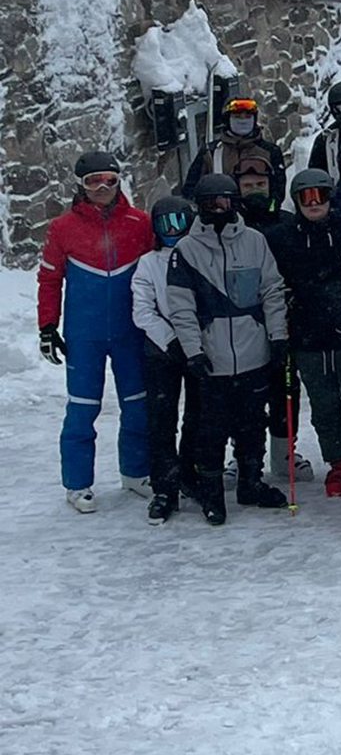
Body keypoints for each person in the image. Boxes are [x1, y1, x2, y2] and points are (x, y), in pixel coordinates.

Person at [164, 174, 291, 524]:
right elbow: (181, 307)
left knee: (253, 423)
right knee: (211, 430)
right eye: (210, 204)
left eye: (224, 202)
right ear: (200, 207)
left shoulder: (254, 241)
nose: (218, 210)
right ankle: (211, 493)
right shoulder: (186, 250)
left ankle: (251, 482)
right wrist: (193, 351)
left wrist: (277, 337)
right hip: (212, 356)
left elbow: (272, 291)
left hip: (253, 351)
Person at [37, 150, 155, 512]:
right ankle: (77, 484)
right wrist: (47, 327)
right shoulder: (63, 228)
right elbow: (49, 279)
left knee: (137, 404)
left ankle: (135, 472)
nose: (102, 188)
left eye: (109, 180)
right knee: (82, 408)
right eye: (93, 182)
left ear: (119, 181)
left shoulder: (140, 223)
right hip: (84, 334)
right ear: (80, 186)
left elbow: (157, 273)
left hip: (130, 330)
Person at [262, 170, 341, 499]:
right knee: (324, 405)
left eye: (319, 196)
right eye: (306, 198)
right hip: (307, 333)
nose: (313, 204)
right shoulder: (283, 237)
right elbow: (273, 283)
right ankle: (339, 461)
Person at [131, 195, 200, 522]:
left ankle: (191, 472)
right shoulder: (148, 263)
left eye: (178, 223)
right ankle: (165, 486)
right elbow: (142, 309)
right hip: (162, 349)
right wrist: (170, 339)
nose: (172, 231)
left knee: (198, 414)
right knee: (161, 417)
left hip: (198, 345)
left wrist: (195, 339)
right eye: (164, 225)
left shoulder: (200, 255)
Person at [183, 95, 288, 202]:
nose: (243, 121)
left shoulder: (270, 151)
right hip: (222, 211)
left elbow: (278, 192)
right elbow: (190, 191)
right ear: (227, 120)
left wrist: (268, 208)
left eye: (248, 116)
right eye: (237, 116)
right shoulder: (211, 152)